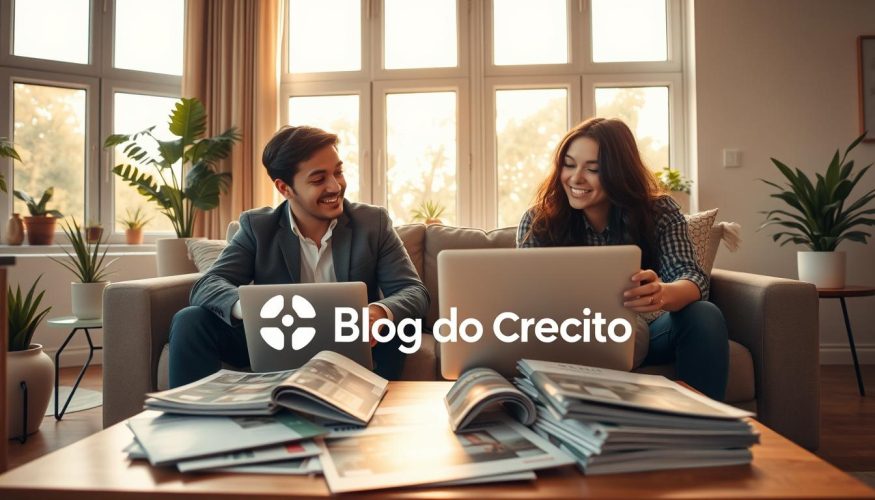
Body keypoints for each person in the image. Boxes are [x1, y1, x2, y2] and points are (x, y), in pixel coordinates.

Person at [168, 125, 430, 387]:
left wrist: (379, 312)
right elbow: (207, 285)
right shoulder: (258, 227)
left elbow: (413, 291)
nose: (335, 186)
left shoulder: (373, 222)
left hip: (354, 342)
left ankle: (372, 406)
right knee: (190, 320)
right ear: (285, 188)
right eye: (318, 179)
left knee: (399, 326)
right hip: (277, 338)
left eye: (337, 172)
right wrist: (253, 310)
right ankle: (188, 417)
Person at [516, 117, 728, 400]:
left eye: (593, 169)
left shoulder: (659, 212)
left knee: (704, 314)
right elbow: (526, 297)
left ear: (619, 172)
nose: (576, 178)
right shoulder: (539, 220)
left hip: (643, 331)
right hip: (567, 334)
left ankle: (705, 430)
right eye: (569, 164)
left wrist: (661, 293)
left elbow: (692, 277)